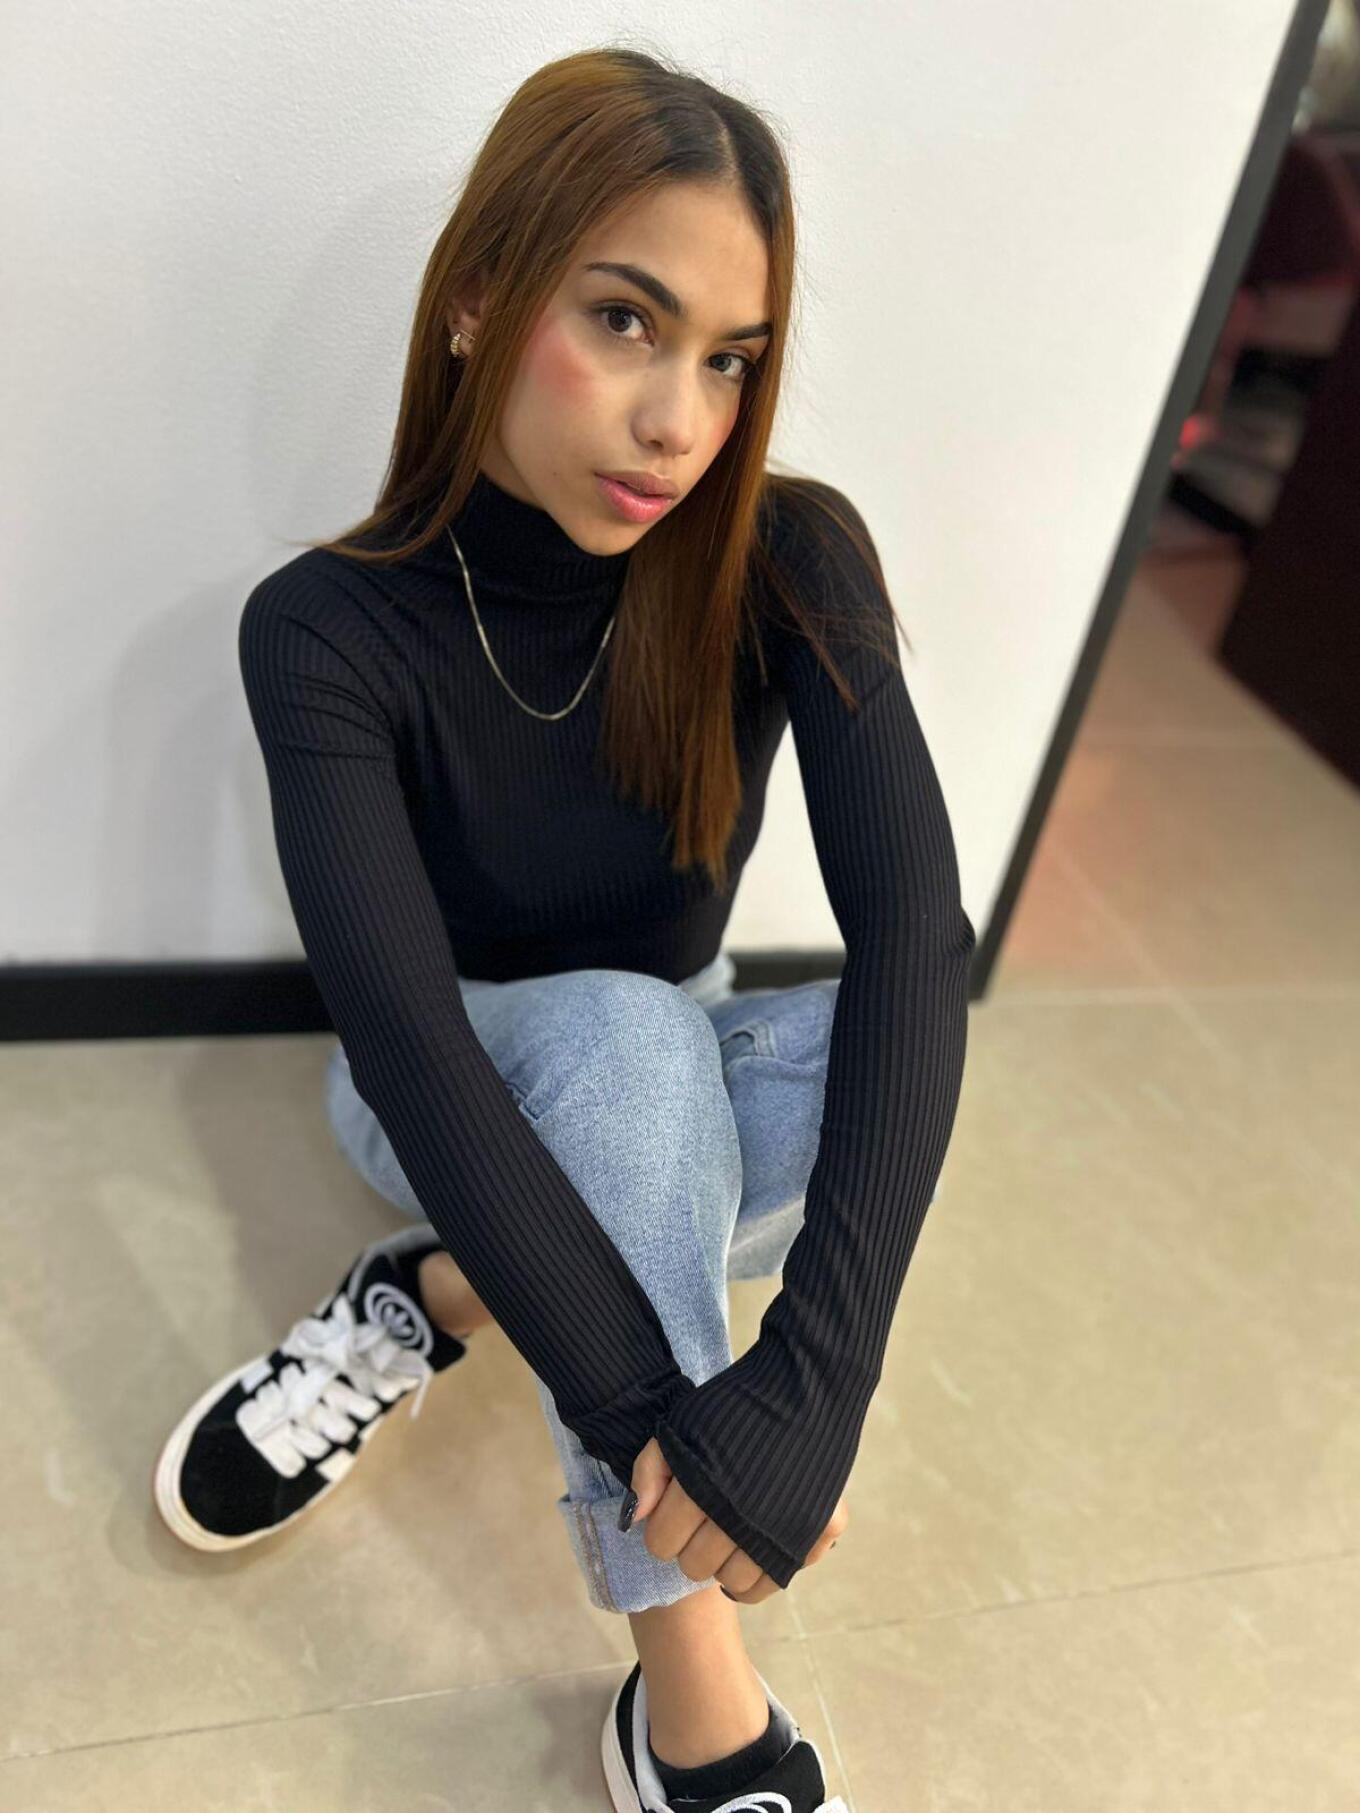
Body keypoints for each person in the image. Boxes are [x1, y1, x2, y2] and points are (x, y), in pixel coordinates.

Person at [154, 44, 974, 1813]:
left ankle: (437, 1296)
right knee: (619, 1044)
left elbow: (918, 930)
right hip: (435, 1090)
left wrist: (819, 1383)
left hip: (667, 1059)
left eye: (730, 358)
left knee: (893, 1041)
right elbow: (409, 1050)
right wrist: (674, 1440)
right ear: (477, 300)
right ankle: (698, 1711)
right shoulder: (326, 628)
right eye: (624, 322)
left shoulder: (793, 554)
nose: (682, 420)